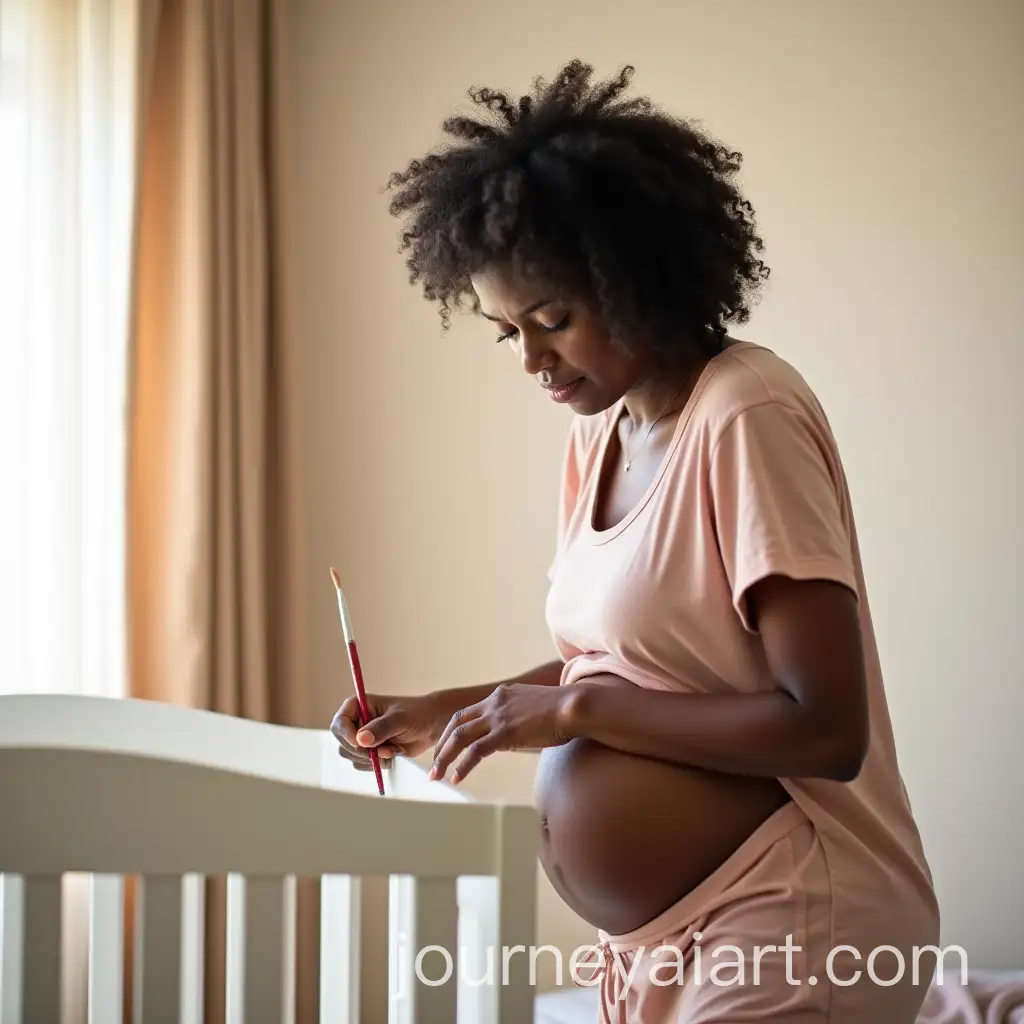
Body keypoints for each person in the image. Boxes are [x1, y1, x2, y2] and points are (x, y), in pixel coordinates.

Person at [332, 59, 940, 1023]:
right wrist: (461, 710)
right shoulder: (598, 432)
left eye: (554, 321)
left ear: (638, 276)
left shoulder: (748, 414)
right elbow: (628, 664)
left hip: (795, 921)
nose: (531, 359)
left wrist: (573, 718)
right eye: (507, 333)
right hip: (657, 947)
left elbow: (825, 729)